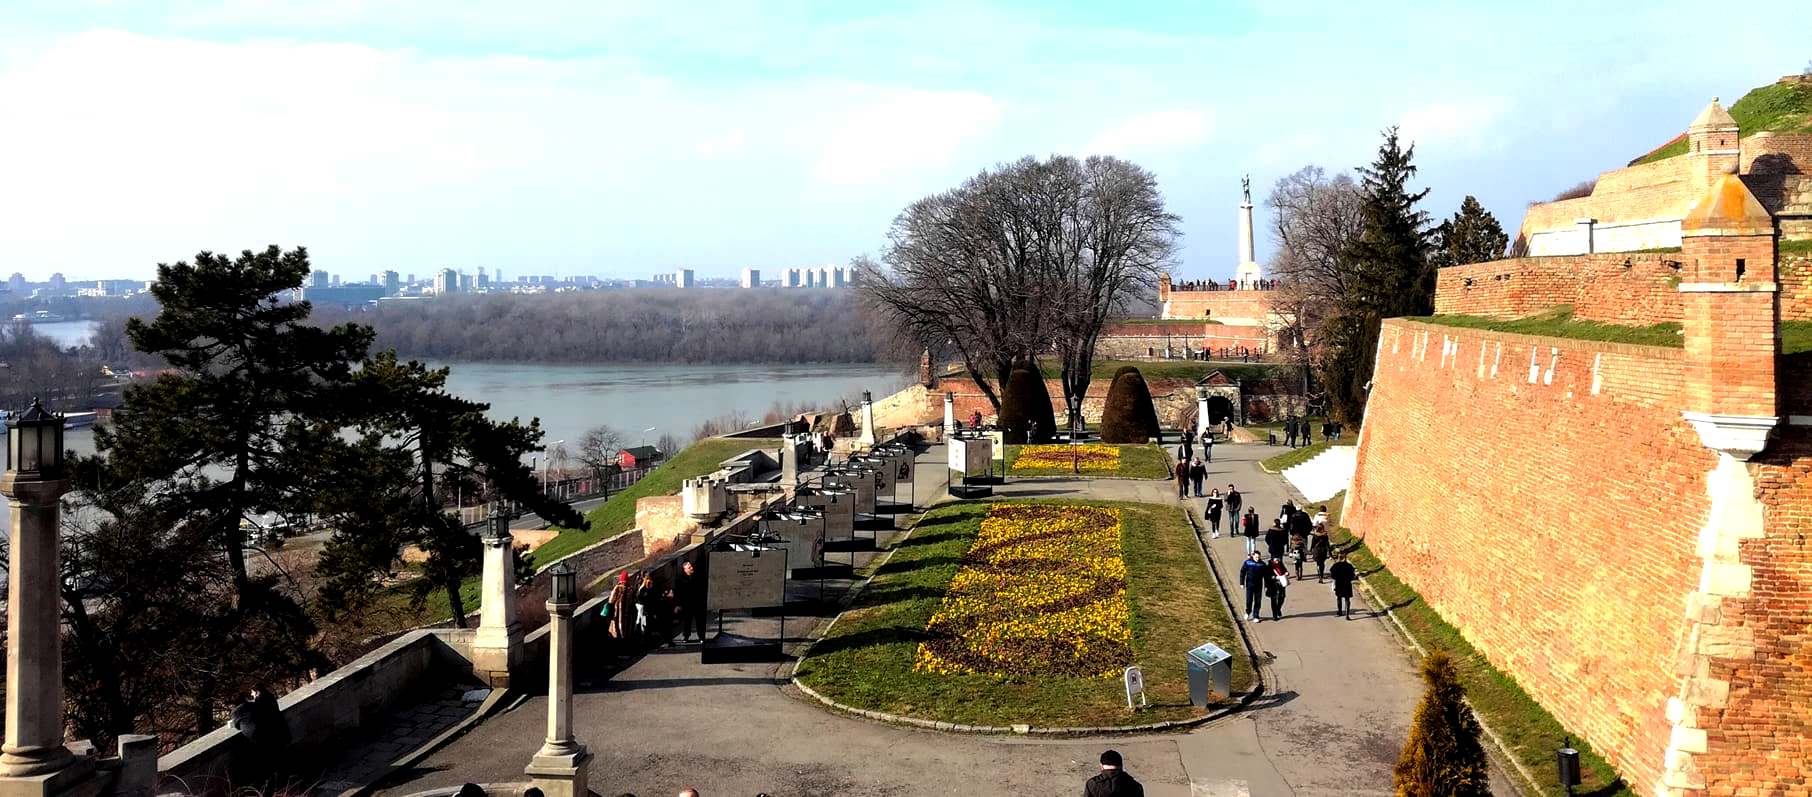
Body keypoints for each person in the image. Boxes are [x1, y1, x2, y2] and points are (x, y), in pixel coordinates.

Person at [673, 560, 706, 644]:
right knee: (686, 621)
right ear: (685, 569)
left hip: (698, 603)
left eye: (691, 566)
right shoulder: (679, 579)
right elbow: (677, 593)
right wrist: (678, 604)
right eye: (689, 567)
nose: (692, 568)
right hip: (686, 604)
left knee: (700, 621)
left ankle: (701, 637)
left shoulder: (698, 576)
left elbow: (703, 589)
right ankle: (686, 636)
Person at [1238, 551, 1267, 622]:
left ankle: (1256, 615)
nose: (1257, 558)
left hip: (1258, 585)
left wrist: (1266, 586)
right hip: (1250, 584)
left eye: (1258, 557)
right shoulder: (1248, 563)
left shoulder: (1262, 564)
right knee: (1249, 600)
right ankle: (1248, 612)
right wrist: (1242, 583)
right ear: (1253, 556)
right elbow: (1242, 572)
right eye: (1256, 557)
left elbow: (1266, 576)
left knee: (1258, 601)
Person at [1330, 552, 1358, 618]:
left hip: (1339, 583)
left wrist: (1336, 578)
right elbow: (1353, 575)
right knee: (1347, 599)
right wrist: (1350, 579)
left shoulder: (1336, 565)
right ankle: (1347, 615)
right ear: (1345, 558)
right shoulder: (1349, 566)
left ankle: (1340, 611)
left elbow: (1332, 574)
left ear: (1339, 558)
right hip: (1347, 584)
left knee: (1339, 598)